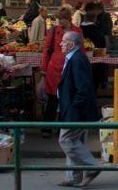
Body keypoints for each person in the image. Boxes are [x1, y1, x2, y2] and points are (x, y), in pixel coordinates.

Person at [55, 31, 102, 187]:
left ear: (72, 44)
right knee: (74, 141)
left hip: (76, 110)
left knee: (66, 139)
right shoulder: (75, 58)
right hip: (75, 108)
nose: (60, 44)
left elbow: (83, 87)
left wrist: (74, 107)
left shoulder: (77, 59)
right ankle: (73, 177)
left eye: (63, 41)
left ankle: (92, 167)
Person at [40, 7, 82, 138]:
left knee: (67, 99)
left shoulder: (77, 31)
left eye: (62, 19)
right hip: (54, 69)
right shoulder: (53, 31)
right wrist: (43, 70)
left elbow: (81, 50)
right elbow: (46, 50)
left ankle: (62, 129)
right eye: (59, 19)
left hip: (70, 68)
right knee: (52, 100)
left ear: (68, 19)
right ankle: (46, 129)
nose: (60, 22)